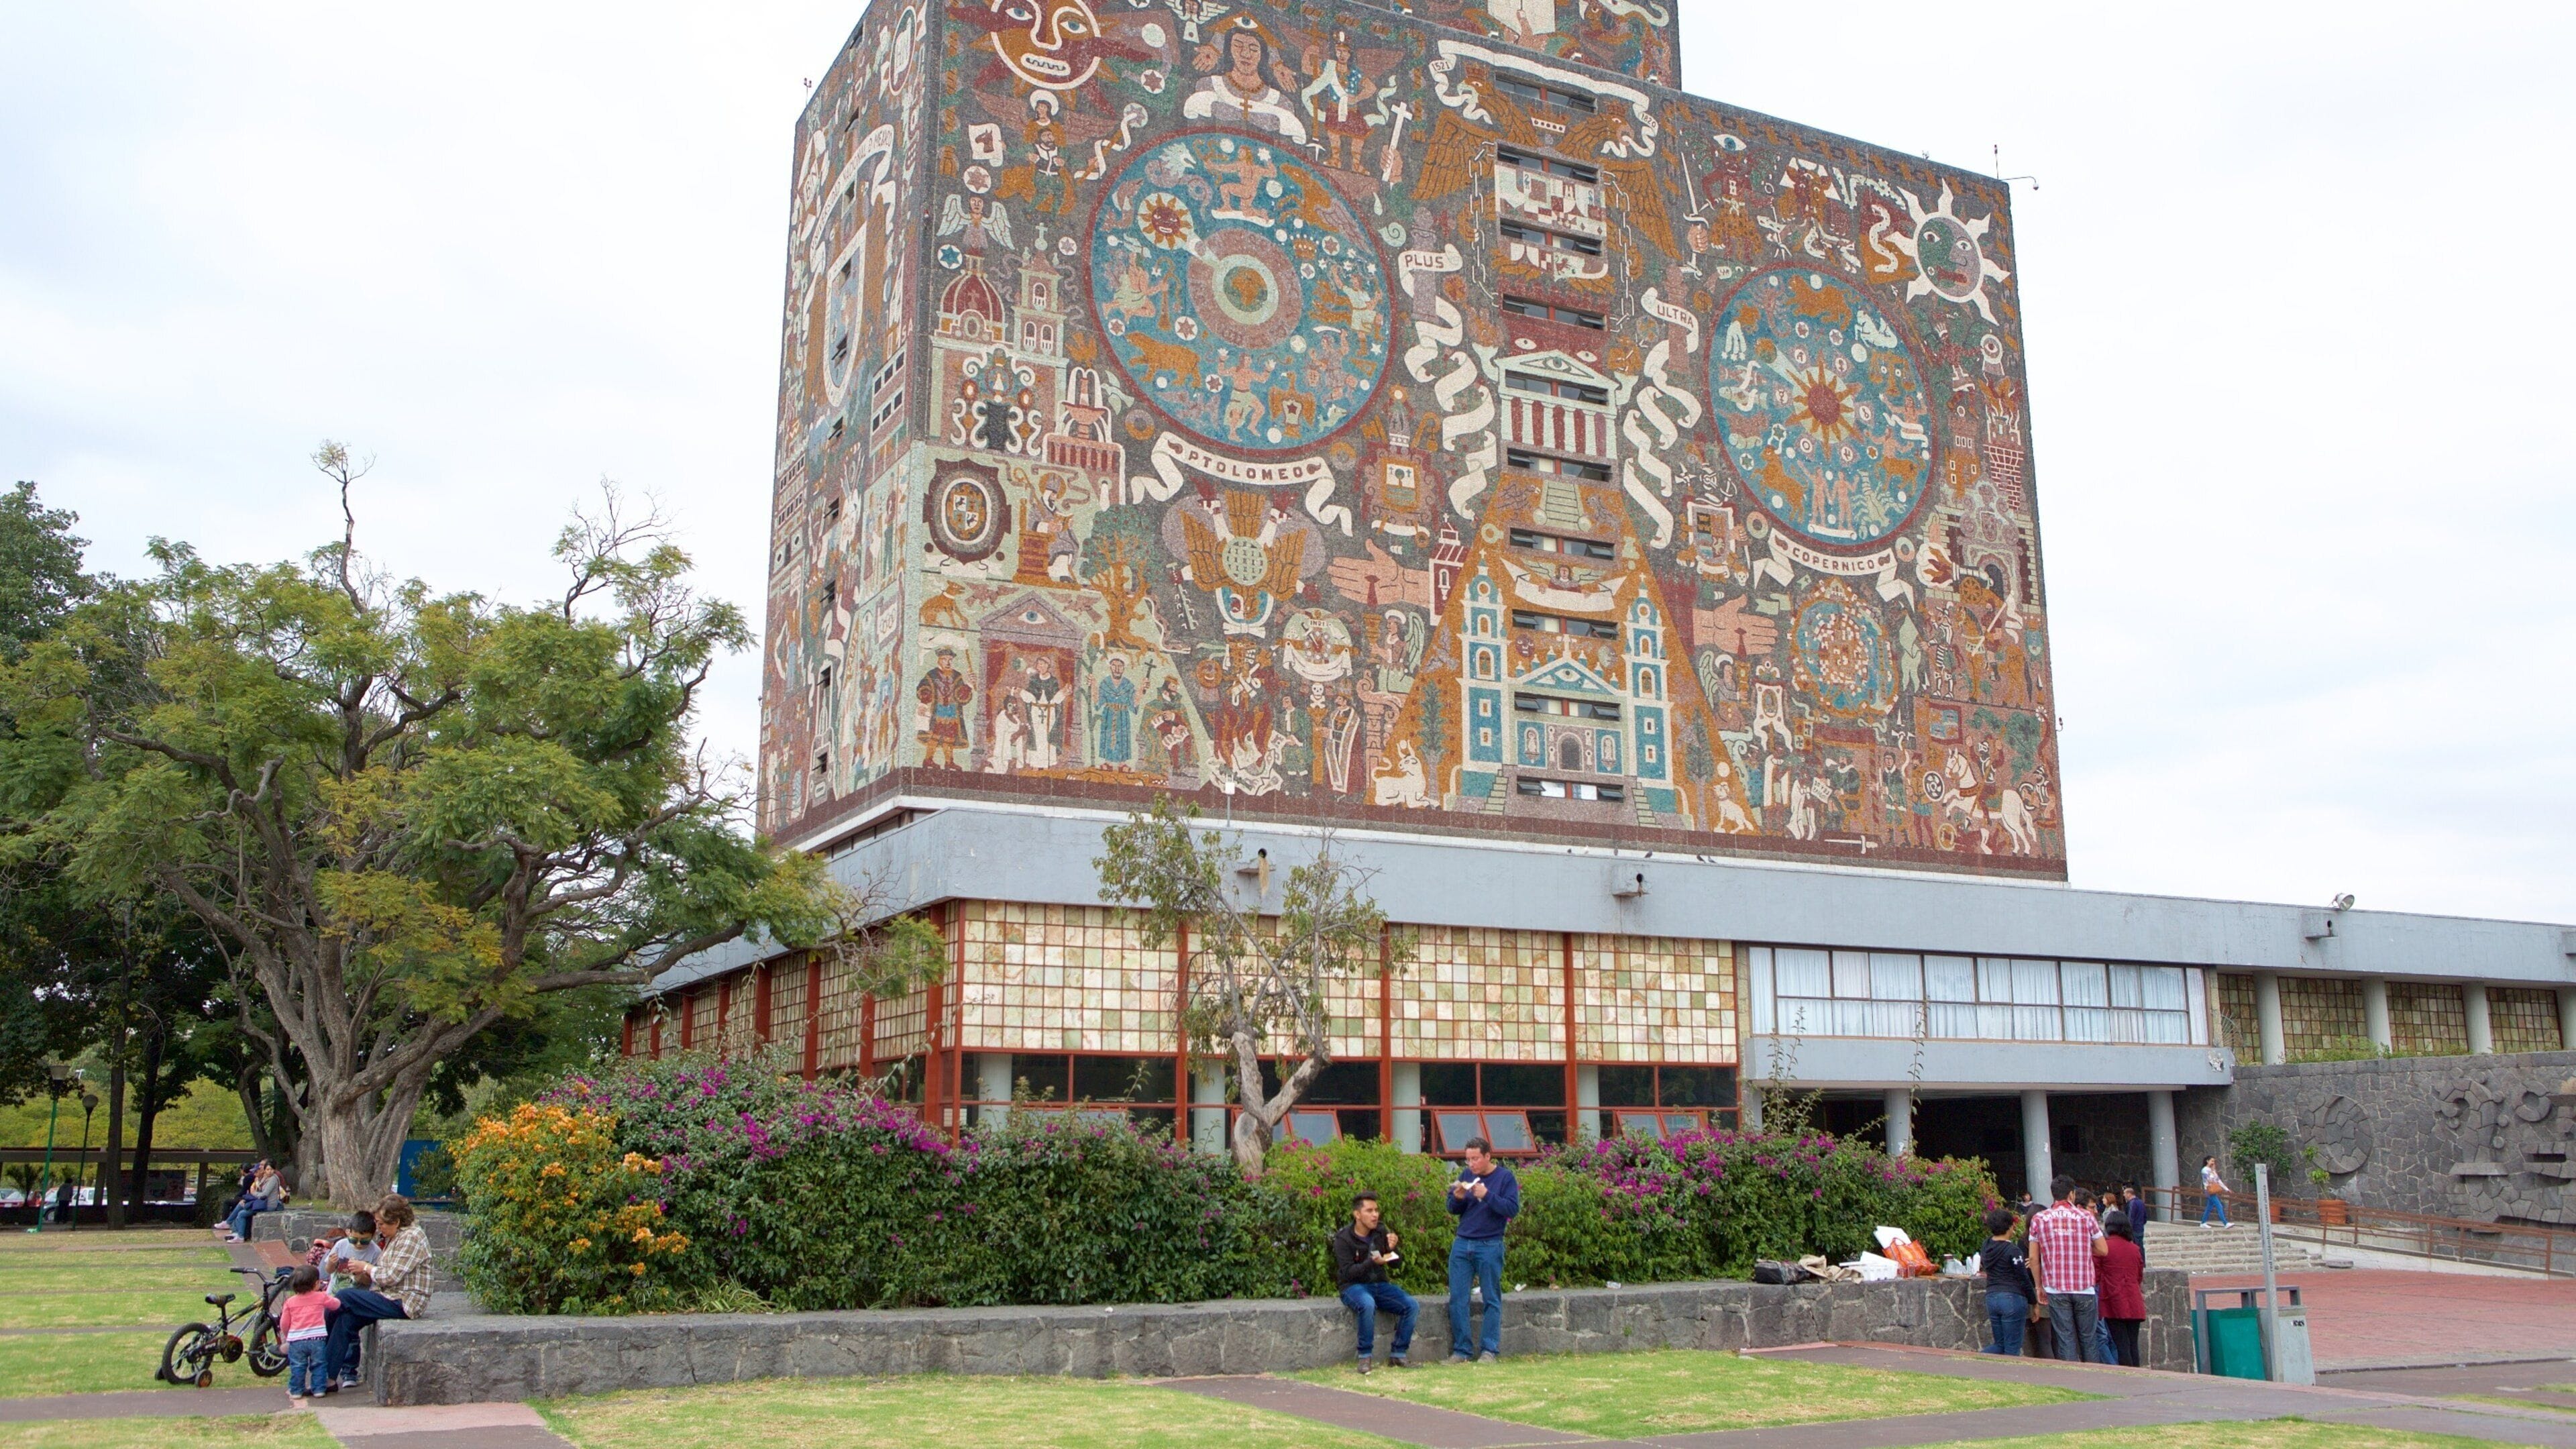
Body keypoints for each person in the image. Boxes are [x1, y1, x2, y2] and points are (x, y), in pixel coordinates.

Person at [324, 1194, 433, 1393]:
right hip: (388, 1295)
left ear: (397, 1221)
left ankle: (318, 1342)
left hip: (403, 1301)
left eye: (381, 1223)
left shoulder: (412, 1237)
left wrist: (366, 1267)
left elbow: (390, 1276)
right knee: (345, 1319)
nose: (379, 1228)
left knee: (344, 1297)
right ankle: (328, 1379)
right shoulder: (396, 1237)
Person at [1444, 1136, 1520, 1363]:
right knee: (1458, 1298)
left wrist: (1486, 1195)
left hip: (1490, 1244)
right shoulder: (1466, 1175)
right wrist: (1457, 1198)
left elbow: (1511, 1209)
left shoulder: (1505, 1177)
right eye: (1468, 1159)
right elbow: (1452, 1208)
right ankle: (1462, 1351)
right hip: (1462, 1242)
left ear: (1488, 1156)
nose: (1471, 1164)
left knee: (1491, 1298)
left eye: (1475, 1159)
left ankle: (1489, 1350)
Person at [1331, 1191, 1415, 1373]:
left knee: (1411, 1305)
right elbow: (1347, 1273)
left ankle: (1399, 1354)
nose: (1375, 1215)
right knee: (1367, 1304)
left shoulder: (1380, 1231)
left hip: (1380, 1285)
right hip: (1353, 1287)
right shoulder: (1343, 1239)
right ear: (1357, 1215)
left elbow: (1396, 1265)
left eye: (1376, 1210)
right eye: (1369, 1211)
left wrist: (1392, 1249)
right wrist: (1371, 1262)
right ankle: (1365, 1357)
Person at [2028, 1175, 2109, 1364]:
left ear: (2053, 1195)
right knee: (2089, 1339)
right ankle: (2093, 1376)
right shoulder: (2086, 1217)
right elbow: (2104, 1250)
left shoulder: (2040, 1219)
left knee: (2065, 1339)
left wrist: (2039, 1286)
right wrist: (2083, 1246)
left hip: (2056, 1287)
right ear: (2072, 1195)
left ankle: (2072, 1380)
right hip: (2084, 1287)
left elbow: (2033, 1258)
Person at [1976, 1206, 2035, 1356]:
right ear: (2010, 1227)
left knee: (2000, 1344)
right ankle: (1978, 1359)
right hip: (2012, 1298)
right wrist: (2034, 1302)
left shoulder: (1986, 1246)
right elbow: (2023, 1278)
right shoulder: (2013, 1251)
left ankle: (1978, 1358)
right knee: (2012, 1348)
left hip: (1992, 1297)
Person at [276, 1264, 339, 1406]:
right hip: (317, 1339)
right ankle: (319, 1389)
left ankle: (296, 1390)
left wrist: (288, 1336)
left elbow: (284, 1322)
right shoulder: (321, 1297)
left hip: (297, 1340)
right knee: (319, 1364)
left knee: (297, 1365)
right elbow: (336, 1305)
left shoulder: (290, 1302)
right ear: (316, 1284)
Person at [2098, 1208, 2147, 1368]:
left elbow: (2097, 1273)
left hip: (2113, 1299)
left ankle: (2128, 1377)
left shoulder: (2104, 1247)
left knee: (2121, 1344)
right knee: (2133, 1344)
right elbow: (2139, 1275)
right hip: (2134, 1299)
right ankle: (2137, 1373)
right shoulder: (2134, 1249)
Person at [223, 1161, 282, 1242]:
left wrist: (253, 1193)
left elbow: (264, 1194)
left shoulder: (273, 1179)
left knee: (241, 1214)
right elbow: (260, 1191)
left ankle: (239, 1235)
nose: (270, 1171)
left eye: (271, 1169)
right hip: (262, 1203)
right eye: (268, 1170)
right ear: (265, 1170)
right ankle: (235, 1230)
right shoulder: (265, 1178)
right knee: (242, 1206)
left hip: (268, 1206)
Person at [2200, 1156, 2232, 1227]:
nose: (2213, 1163)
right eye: (2212, 1161)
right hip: (2209, 1191)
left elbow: (2218, 1180)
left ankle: (2203, 1223)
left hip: (2213, 1191)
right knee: (2219, 1206)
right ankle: (2225, 1223)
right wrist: (2212, 1171)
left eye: (2214, 1161)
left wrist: (2226, 1189)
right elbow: (2210, 1181)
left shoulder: (2212, 1170)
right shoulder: (2205, 1170)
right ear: (2207, 1161)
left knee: (2209, 1208)